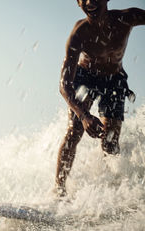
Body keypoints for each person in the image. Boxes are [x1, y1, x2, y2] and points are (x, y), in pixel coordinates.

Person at [55, 0, 145, 197]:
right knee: (75, 130)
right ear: (78, 3)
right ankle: (59, 190)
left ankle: (112, 192)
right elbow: (64, 86)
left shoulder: (126, 18)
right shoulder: (79, 34)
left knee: (110, 143)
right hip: (86, 79)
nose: (89, 2)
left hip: (115, 80)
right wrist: (84, 115)